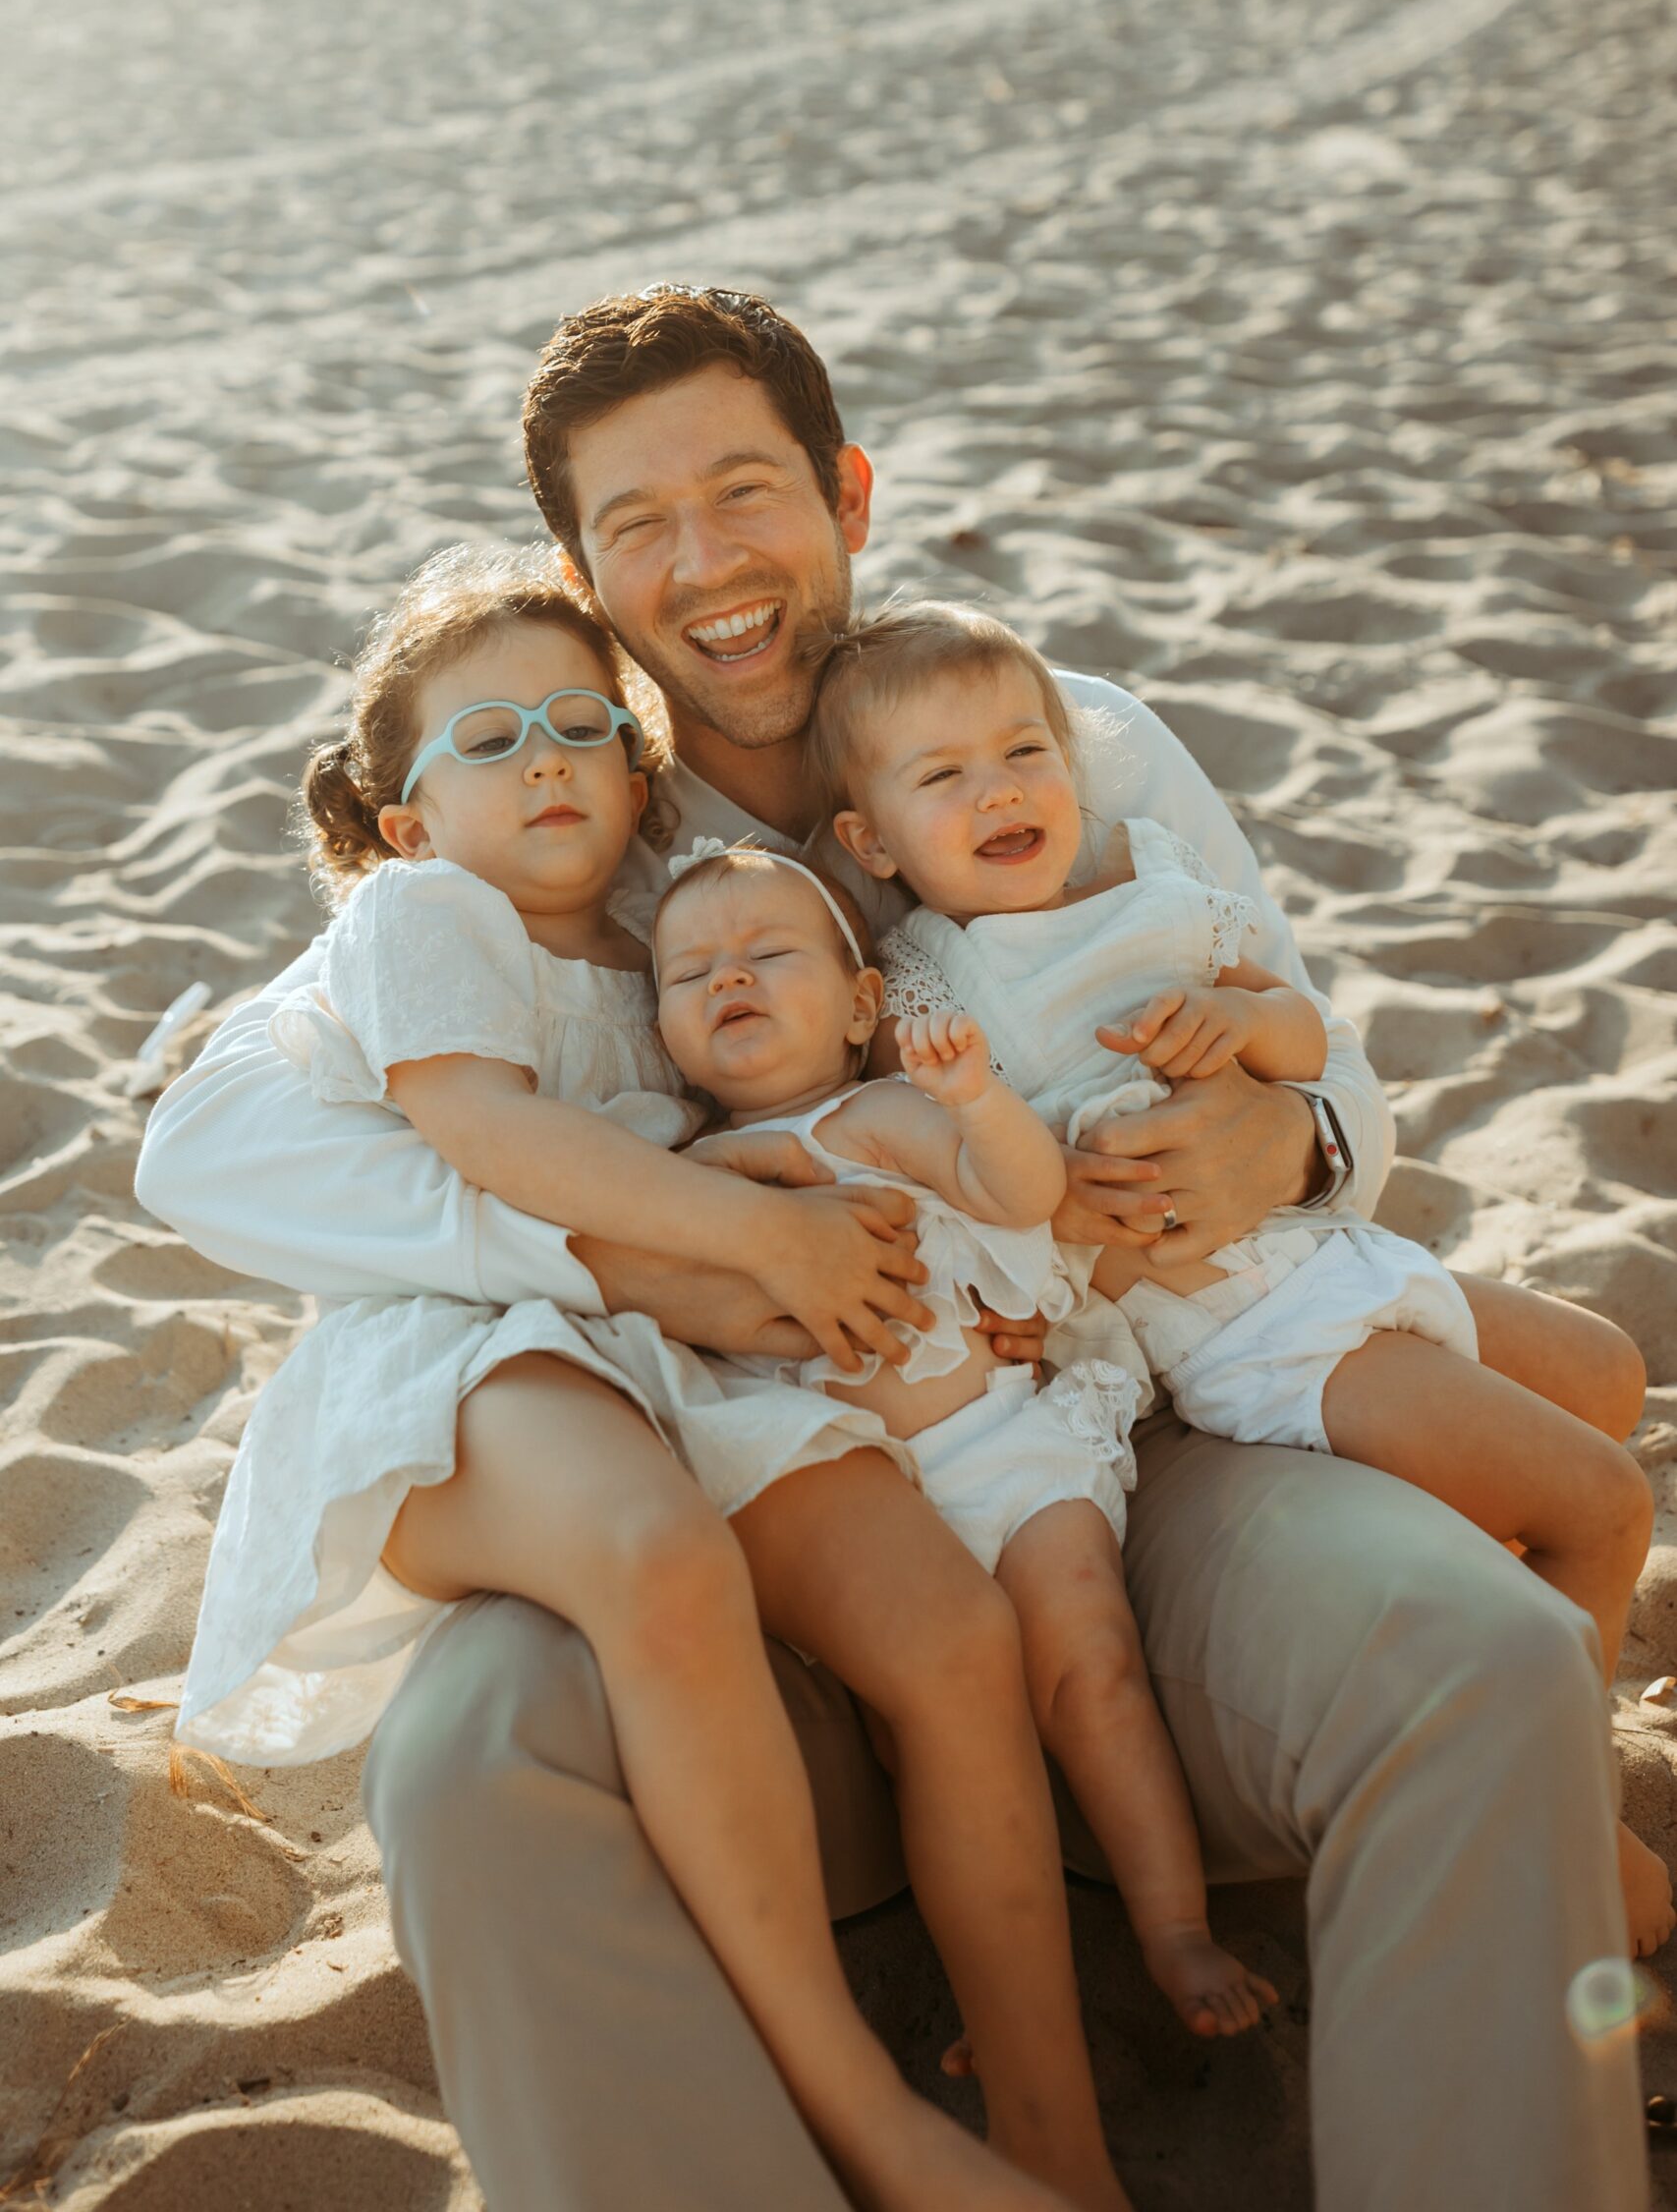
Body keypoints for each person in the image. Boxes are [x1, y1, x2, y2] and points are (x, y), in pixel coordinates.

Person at [138, 284, 1651, 2212]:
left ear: (844, 490)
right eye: (637, 523)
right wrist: (651, 1254)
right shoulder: (563, 817)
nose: (708, 562)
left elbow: (1306, 1050)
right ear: (579, 567)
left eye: (748, 489)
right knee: (460, 1766)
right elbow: (224, 1136)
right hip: (773, 1551)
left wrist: (1295, 1132)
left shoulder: (1056, 740)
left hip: (1122, 1458)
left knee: (1490, 1649)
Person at [174, 544, 1076, 2212]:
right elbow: (489, 1137)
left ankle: (1053, 2140)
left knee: (953, 1637)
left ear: (639, 764)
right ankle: (862, 2110)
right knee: (658, 1560)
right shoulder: (427, 916)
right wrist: (772, 1249)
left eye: (580, 723)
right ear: (404, 820)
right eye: (488, 738)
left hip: (676, 1362)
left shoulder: (681, 925)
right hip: (462, 1359)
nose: (542, 760)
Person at [809, 596, 1664, 1954]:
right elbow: (961, 1207)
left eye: (1022, 751)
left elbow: (1302, 1031)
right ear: (870, 841)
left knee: (1605, 1375)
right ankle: (1574, 1819)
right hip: (1242, 1324)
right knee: (1603, 1505)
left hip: (1323, 1250)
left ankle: (1520, 1685)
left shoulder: (1149, 877)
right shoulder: (924, 988)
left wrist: (1241, 1025)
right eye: (942, 778)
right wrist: (1052, 1201)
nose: (999, 791)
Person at [653, 838, 1275, 2054]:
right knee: (923, 1744)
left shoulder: (879, 1114)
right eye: (693, 972)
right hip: (873, 1516)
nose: (731, 977)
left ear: (861, 1010)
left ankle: (1173, 1923)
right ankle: (1004, 1972)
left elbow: (1018, 1193)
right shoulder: (684, 1175)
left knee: (1088, 1664)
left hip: (1004, 1445)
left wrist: (976, 1099)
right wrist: (732, 1179)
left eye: (771, 953)